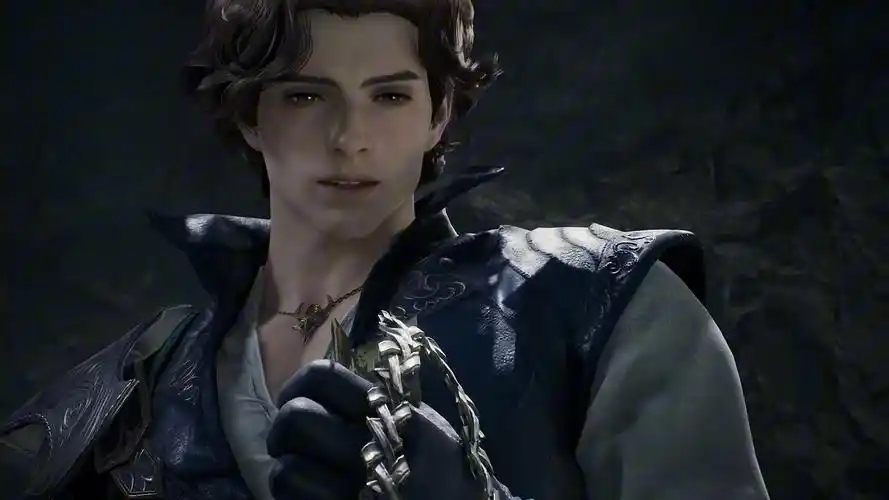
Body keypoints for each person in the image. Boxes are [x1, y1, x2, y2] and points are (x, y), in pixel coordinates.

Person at [1, 0, 771, 499]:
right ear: (249, 117)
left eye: (391, 95)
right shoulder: (146, 378)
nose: (350, 137)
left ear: (439, 113)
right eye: (306, 95)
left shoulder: (594, 301)